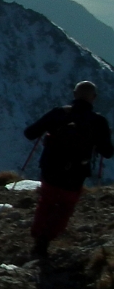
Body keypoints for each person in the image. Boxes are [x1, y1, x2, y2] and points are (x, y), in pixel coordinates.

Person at [24, 80, 113, 258]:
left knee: (46, 202)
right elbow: (108, 152)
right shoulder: (98, 121)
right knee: (66, 206)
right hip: (76, 173)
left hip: (50, 167)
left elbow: (30, 133)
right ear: (93, 98)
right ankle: (48, 237)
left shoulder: (58, 113)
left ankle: (38, 239)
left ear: (74, 94)